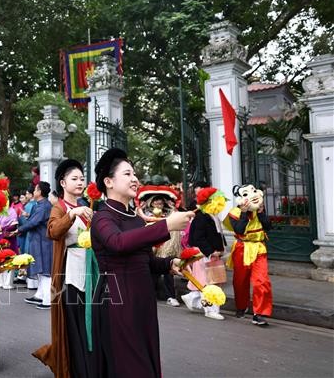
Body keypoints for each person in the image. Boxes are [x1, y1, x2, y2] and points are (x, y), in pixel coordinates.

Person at [90, 148, 193, 378]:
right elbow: (118, 243)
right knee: (130, 366)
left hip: (141, 299)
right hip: (117, 300)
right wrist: (165, 225)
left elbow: (143, 259)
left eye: (134, 174)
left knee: (145, 359)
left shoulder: (135, 218)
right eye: (127, 174)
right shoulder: (102, 217)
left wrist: (169, 264)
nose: (135, 179)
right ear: (109, 181)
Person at [33, 160, 97, 377]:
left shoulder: (87, 205)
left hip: (89, 272)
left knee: (88, 321)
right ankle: (76, 369)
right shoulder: (59, 208)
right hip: (69, 275)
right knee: (74, 325)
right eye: (74, 178)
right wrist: (71, 214)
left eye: (81, 178)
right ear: (62, 182)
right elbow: (52, 231)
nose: (80, 182)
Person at [224, 184, 272, 326]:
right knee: (240, 281)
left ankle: (259, 313)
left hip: (259, 248)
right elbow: (239, 229)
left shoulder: (259, 210)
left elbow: (268, 227)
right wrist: (244, 213)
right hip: (242, 248)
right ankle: (241, 306)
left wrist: (262, 213)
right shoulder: (234, 213)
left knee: (261, 281)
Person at [182, 187, 228, 320]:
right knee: (209, 284)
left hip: (214, 255)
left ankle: (191, 298)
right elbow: (198, 238)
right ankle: (210, 310)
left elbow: (218, 235)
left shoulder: (213, 216)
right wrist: (210, 252)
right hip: (205, 255)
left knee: (211, 283)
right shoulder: (201, 217)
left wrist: (221, 249)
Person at [19, 181, 53, 310]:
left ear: (39, 192)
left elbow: (34, 222)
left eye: (35, 190)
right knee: (40, 268)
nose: (33, 192)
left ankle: (48, 299)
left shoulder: (44, 206)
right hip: (38, 241)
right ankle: (40, 295)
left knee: (45, 270)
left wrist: (19, 229)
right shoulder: (39, 205)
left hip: (43, 242)